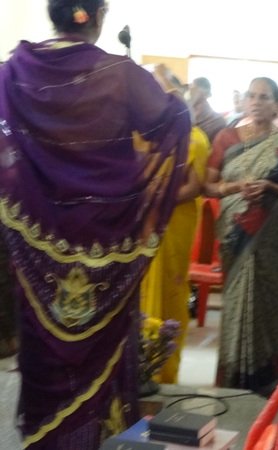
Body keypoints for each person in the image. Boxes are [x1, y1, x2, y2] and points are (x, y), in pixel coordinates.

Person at [0, 0, 190, 447]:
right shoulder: (120, 74)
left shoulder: (11, 74)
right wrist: (176, 99)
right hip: (106, 236)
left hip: (34, 238)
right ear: (99, 16)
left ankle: (45, 437)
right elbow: (171, 122)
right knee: (104, 346)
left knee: (43, 344)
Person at [205, 77, 278, 394]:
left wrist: (271, 187)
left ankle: (268, 387)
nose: (256, 102)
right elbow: (207, 186)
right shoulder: (226, 138)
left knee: (270, 311)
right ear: (244, 101)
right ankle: (230, 385)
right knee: (236, 308)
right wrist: (235, 187)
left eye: (264, 97)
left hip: (276, 240)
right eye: (251, 96)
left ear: (277, 105)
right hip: (236, 237)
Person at [139, 124, 210, 384]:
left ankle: (162, 370)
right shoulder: (137, 134)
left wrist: (158, 201)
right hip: (138, 222)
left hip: (172, 221)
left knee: (169, 289)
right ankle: (134, 370)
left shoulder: (193, 138)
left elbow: (194, 187)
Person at [188, 77, 227, 142]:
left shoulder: (217, 122)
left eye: (192, 89)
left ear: (205, 94)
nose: (189, 93)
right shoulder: (185, 114)